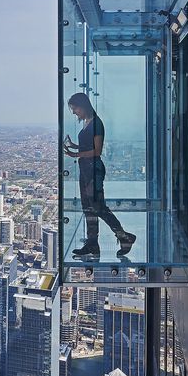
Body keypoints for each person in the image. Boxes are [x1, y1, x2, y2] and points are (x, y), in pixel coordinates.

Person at [64, 92, 136, 260]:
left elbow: (97, 151)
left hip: (93, 170)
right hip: (86, 169)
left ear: (83, 106)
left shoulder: (97, 123)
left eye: (75, 109)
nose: (74, 112)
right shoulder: (88, 122)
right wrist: (74, 147)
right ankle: (92, 244)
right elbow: (87, 146)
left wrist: (76, 155)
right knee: (88, 208)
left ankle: (124, 236)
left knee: (98, 207)